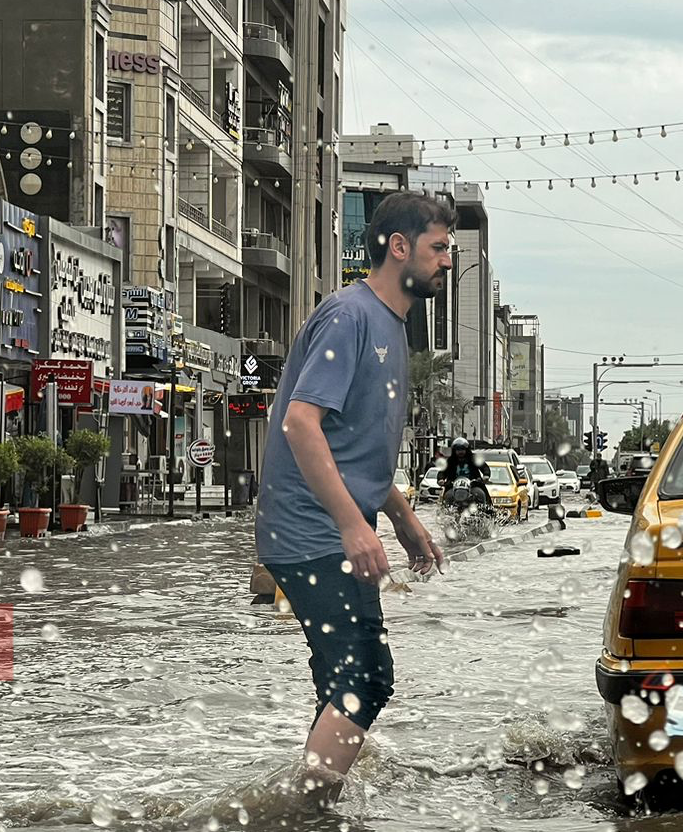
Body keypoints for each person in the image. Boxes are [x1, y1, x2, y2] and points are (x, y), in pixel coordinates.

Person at [253, 191, 452, 802]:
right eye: (439, 248)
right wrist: (351, 526)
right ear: (399, 247)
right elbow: (301, 423)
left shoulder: (388, 324)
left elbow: (353, 446)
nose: (447, 262)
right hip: (310, 534)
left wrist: (402, 520)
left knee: (343, 682)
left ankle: (313, 802)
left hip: (322, 531)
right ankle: (303, 811)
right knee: (364, 679)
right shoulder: (350, 316)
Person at [437, 437, 491, 505]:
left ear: (466, 450)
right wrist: (440, 479)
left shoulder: (473, 458)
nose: (460, 452)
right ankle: (445, 512)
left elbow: (484, 467)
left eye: (462, 449)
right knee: (448, 497)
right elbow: (442, 471)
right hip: (453, 487)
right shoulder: (450, 461)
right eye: (458, 449)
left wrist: (486, 475)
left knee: (481, 494)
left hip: (473, 485)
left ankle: (486, 510)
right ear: (454, 451)